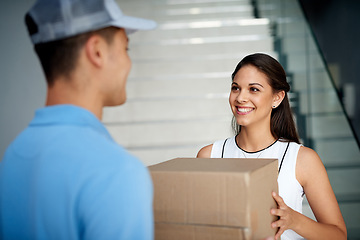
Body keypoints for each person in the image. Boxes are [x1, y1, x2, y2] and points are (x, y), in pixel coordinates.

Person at [0, 0, 157, 239]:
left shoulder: (14, 155)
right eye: (126, 49)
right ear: (97, 52)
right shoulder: (116, 173)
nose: (128, 63)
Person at [197, 53, 347, 240]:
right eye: (236, 88)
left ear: (277, 98)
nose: (240, 97)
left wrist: (294, 220)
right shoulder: (209, 156)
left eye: (254, 89)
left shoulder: (302, 159)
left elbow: (339, 235)